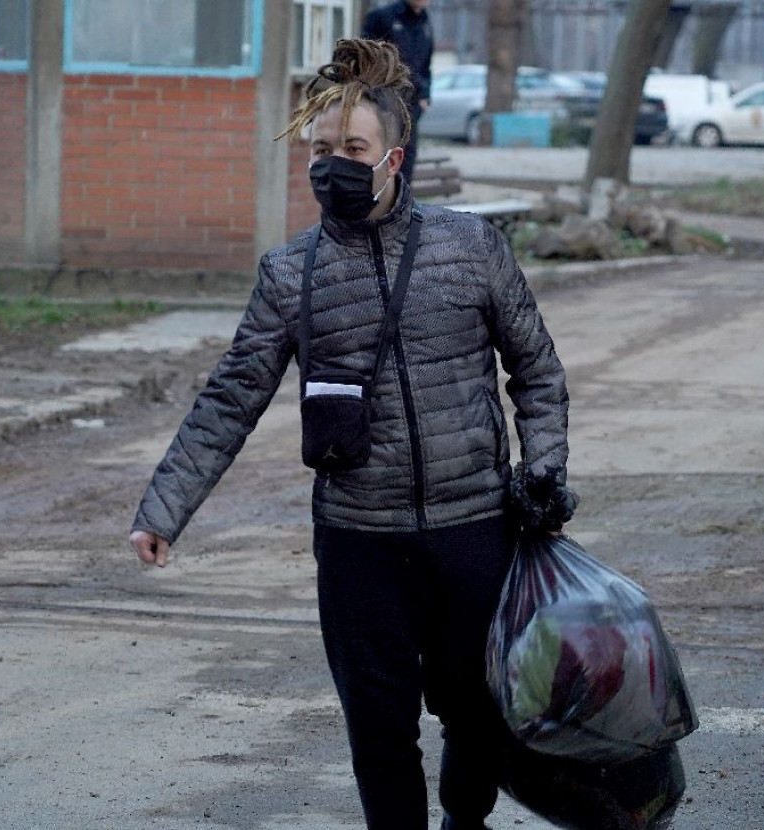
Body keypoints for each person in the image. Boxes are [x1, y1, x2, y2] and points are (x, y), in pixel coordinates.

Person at [129, 38, 577, 830]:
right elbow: (231, 399)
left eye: (353, 150)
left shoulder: (471, 248)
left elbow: (537, 372)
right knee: (378, 730)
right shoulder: (288, 274)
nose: (333, 164)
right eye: (321, 150)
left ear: (393, 159)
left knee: (476, 712)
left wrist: (542, 472)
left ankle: (465, 822)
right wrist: (165, 508)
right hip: (357, 543)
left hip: (473, 529)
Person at [361, 0, 433, 184]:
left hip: (411, 111)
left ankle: (402, 203)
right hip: (384, 106)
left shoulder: (425, 22)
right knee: (379, 164)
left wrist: (425, 96)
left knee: (405, 170)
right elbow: (366, 59)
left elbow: (425, 66)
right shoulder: (382, 17)